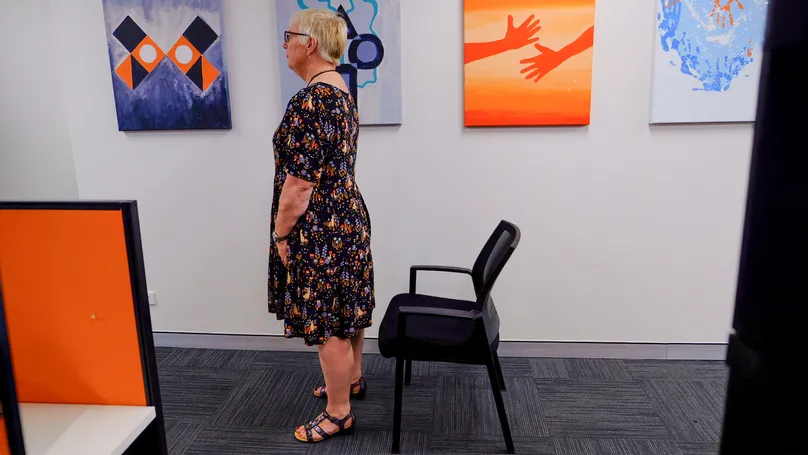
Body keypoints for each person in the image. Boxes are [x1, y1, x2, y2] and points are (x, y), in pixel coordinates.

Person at [267, 8, 375, 444]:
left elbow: (298, 186)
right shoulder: (341, 91)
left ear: (309, 44)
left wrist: (281, 234)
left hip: (321, 226)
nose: (284, 45)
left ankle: (338, 412)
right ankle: (351, 379)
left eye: (289, 36)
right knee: (347, 309)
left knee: (328, 320)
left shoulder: (310, 101)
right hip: (348, 217)